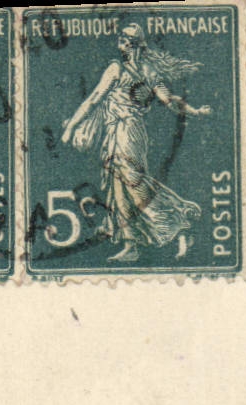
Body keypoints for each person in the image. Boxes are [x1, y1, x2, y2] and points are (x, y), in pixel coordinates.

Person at [60, 25, 211, 262]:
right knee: (119, 185)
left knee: (131, 183)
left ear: (129, 44)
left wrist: (71, 127)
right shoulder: (148, 71)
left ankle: (179, 222)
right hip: (128, 132)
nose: (119, 43)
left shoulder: (116, 68)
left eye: (122, 39)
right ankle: (131, 243)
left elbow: (93, 100)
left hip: (124, 132)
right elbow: (169, 100)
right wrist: (195, 110)